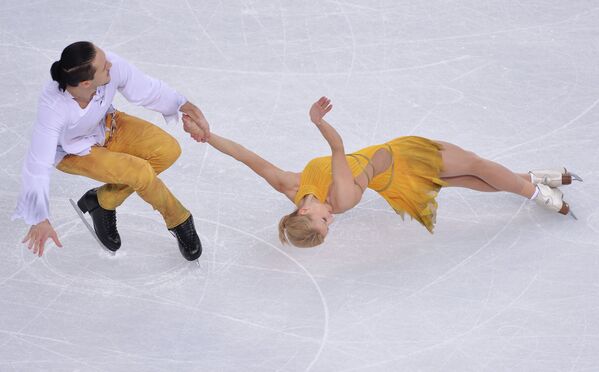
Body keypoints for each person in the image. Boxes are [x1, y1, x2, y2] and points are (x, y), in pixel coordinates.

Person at [183, 96, 581, 248]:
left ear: (302, 211)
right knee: (476, 165)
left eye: (323, 221)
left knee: (475, 179)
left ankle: (534, 177)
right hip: (404, 159)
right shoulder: (341, 198)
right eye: (329, 227)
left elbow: (250, 160)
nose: (332, 218)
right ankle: (539, 194)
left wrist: (209, 136)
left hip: (395, 176)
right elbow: (338, 148)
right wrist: (317, 122)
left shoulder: (292, 187)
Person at [14, 41, 210, 260]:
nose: (109, 63)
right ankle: (179, 219)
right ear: (87, 83)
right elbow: (36, 164)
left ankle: (103, 201)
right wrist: (39, 218)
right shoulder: (53, 108)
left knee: (167, 150)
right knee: (140, 172)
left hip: (109, 126)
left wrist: (184, 105)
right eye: (103, 65)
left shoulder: (110, 66)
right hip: (74, 152)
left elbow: (147, 89)